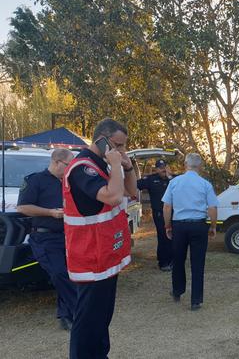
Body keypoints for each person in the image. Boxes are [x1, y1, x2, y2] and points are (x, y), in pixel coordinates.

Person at [63, 118, 137, 359]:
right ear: (101, 141)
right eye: (118, 145)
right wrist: (116, 164)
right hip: (89, 257)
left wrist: (126, 167)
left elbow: (131, 191)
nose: (121, 151)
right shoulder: (82, 167)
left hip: (105, 255)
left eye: (124, 146)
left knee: (102, 316)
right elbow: (113, 196)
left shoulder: (104, 164)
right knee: (87, 321)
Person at [17, 148, 76, 331]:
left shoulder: (68, 182)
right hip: (44, 237)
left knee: (69, 275)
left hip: (67, 236)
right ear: (57, 162)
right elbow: (23, 208)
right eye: (68, 165)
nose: (70, 169)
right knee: (59, 273)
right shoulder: (35, 180)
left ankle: (66, 316)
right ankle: (79, 311)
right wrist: (50, 212)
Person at [162, 153, 218, 311]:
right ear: (200, 166)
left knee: (178, 260)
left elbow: (167, 207)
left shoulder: (174, 182)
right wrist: (213, 226)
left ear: (185, 164)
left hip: (179, 226)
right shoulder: (205, 184)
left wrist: (167, 226)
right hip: (199, 226)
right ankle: (196, 300)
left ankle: (177, 291)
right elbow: (212, 208)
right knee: (198, 263)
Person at [137, 159, 174, 271]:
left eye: (164, 167)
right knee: (163, 237)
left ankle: (172, 260)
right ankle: (163, 262)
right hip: (159, 213)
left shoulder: (174, 179)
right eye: (160, 167)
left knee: (174, 237)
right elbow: (135, 184)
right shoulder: (151, 180)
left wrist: (170, 177)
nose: (163, 169)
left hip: (174, 213)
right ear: (156, 169)